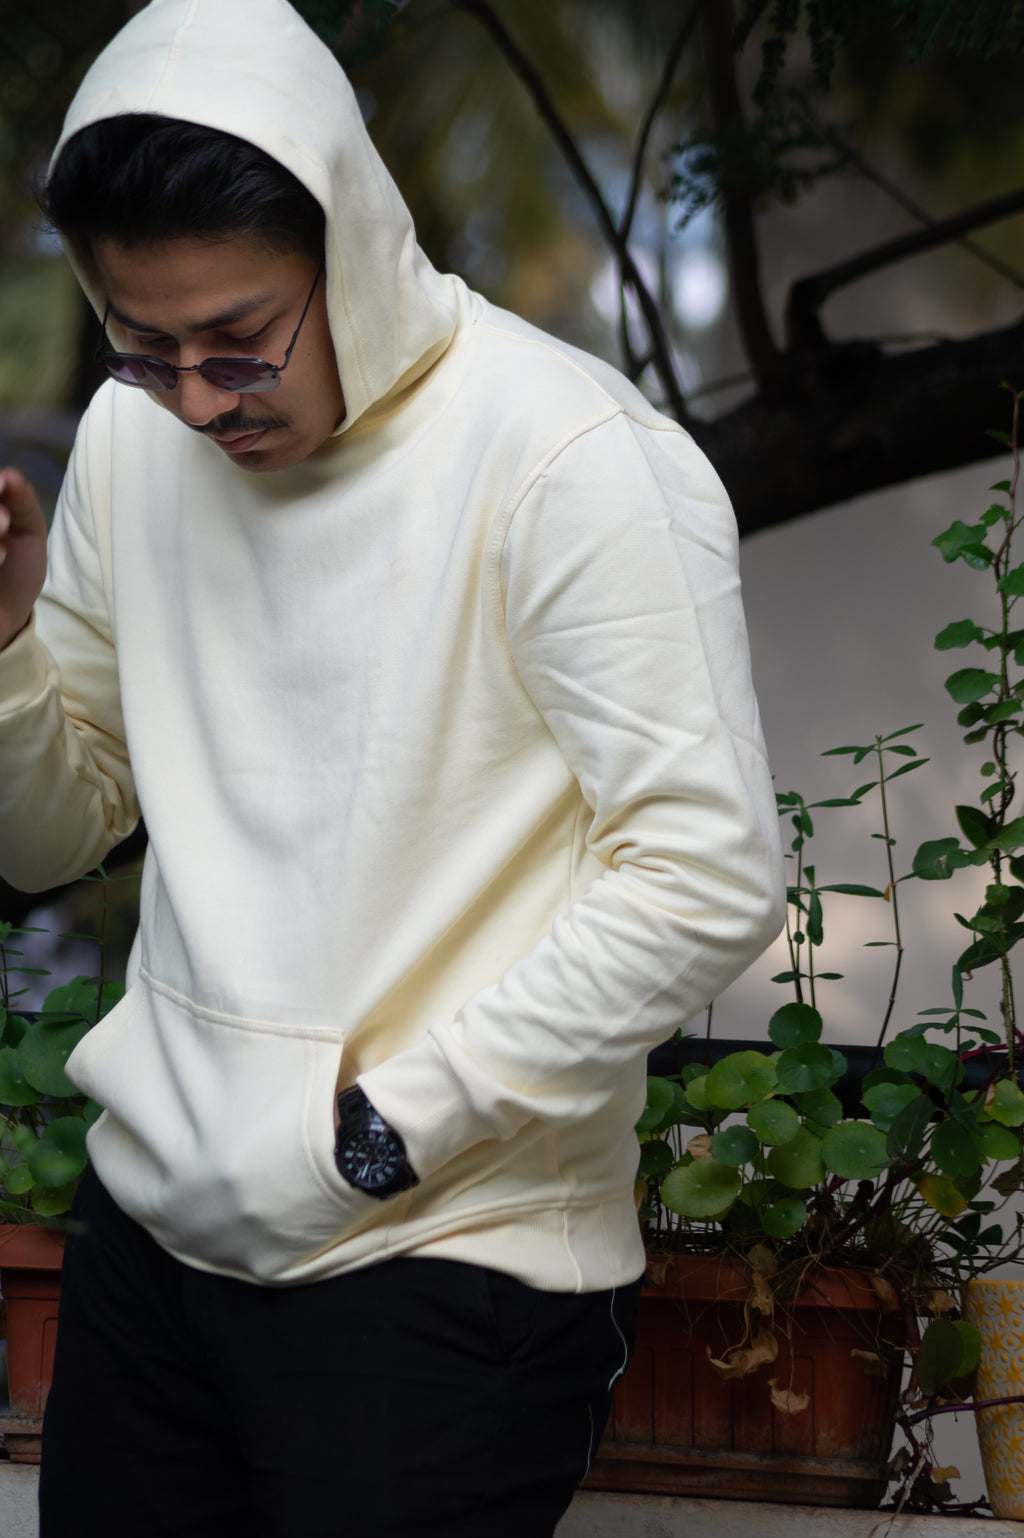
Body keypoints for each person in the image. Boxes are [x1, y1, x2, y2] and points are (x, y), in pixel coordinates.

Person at [0, 1, 784, 1533]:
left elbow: (707, 870)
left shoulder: (567, 458)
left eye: (242, 341)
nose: (203, 394)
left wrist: (386, 1127)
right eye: (145, 345)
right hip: (151, 1251)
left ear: (349, 244)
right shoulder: (132, 440)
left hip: (442, 1263)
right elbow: (52, 836)